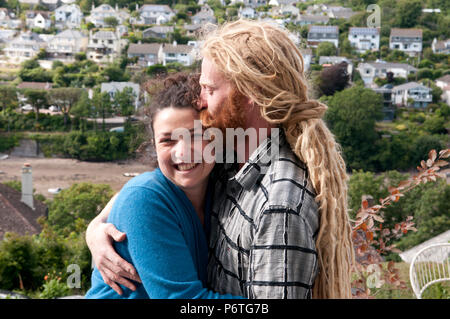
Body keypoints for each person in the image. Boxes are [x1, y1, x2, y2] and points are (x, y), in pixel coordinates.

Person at [86, 19, 355, 299]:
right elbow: (141, 195)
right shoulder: (228, 159)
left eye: (210, 90)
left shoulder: (278, 203)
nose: (200, 101)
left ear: (251, 94)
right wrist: (95, 230)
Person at [84, 73, 243, 299]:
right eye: (168, 140)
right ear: (154, 146)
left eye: (195, 136)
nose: (182, 151)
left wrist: (95, 225)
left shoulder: (222, 184)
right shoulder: (144, 199)